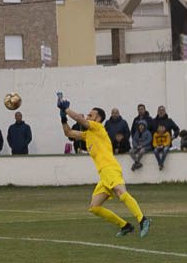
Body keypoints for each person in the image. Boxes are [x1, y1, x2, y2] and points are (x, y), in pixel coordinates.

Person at [58, 97, 151, 238]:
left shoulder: (98, 127)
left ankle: (142, 220)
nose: (88, 116)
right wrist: (63, 117)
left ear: (99, 118)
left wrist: (66, 109)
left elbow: (79, 118)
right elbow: (68, 133)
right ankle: (125, 226)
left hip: (110, 168)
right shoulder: (88, 134)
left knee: (121, 192)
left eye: (91, 115)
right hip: (103, 174)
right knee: (94, 207)